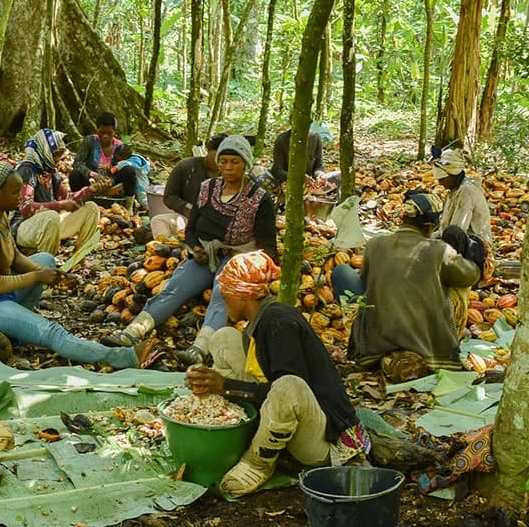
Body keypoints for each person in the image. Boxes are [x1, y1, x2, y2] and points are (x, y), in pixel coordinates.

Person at [185, 250, 369, 496]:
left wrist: (226, 386)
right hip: (286, 409)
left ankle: (258, 463)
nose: (223, 298)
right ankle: (238, 425)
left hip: (322, 437)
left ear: (242, 294)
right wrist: (208, 381)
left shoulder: (278, 322)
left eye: (226, 292)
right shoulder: (261, 319)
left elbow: (289, 392)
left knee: (288, 386)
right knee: (223, 338)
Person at [0, 161, 158, 369]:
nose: (20, 197)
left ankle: (16, 327)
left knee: (46, 259)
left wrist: (51, 274)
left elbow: (15, 257)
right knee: (51, 331)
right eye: (14, 192)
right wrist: (37, 277)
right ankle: (124, 357)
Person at [103, 135, 278, 367]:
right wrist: (195, 248)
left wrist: (245, 263)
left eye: (235, 162)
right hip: (205, 253)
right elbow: (192, 228)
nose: (227, 167)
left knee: (221, 294)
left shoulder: (259, 198)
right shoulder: (208, 188)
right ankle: (133, 331)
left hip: (238, 257)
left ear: (246, 164)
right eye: (223, 161)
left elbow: (268, 246)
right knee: (175, 287)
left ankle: (200, 348)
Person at [332, 191, 481, 380]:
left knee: (342, 271)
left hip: (375, 344)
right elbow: (470, 277)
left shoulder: (374, 245)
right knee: (456, 280)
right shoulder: (440, 250)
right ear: (429, 226)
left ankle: (366, 347)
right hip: (426, 345)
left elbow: (367, 282)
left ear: (402, 218)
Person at [12, 128, 110, 256]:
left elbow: (67, 198)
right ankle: (45, 262)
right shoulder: (27, 170)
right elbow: (25, 208)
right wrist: (59, 205)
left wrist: (90, 190)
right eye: (56, 154)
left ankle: (79, 256)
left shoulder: (51, 172)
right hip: (24, 228)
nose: (59, 158)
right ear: (44, 150)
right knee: (51, 216)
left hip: (48, 224)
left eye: (61, 153)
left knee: (91, 208)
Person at [150, 133, 226, 238]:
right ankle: (168, 246)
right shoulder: (186, 167)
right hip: (187, 219)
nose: (221, 162)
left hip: (218, 224)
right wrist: (189, 208)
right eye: (218, 156)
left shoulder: (232, 174)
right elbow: (169, 197)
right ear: (208, 150)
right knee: (158, 221)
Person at [69, 112, 136, 210]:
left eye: (109, 133)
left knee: (129, 170)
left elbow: (120, 167)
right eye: (102, 132)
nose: (105, 136)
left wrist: (110, 181)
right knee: (74, 174)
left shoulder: (120, 147)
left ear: (114, 132)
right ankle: (79, 202)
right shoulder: (90, 141)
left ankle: (128, 206)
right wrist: (92, 175)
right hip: (91, 181)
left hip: (111, 183)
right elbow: (77, 163)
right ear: (97, 130)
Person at [431, 149, 492, 245]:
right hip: (457, 240)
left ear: (452, 175)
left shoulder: (466, 191)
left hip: (474, 243)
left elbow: (458, 229)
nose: (440, 183)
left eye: (442, 179)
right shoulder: (452, 192)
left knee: (452, 233)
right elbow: (444, 227)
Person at [113, 143, 151, 211]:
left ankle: (145, 208)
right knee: (144, 196)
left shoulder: (125, 162)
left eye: (115, 155)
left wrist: (107, 168)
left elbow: (113, 170)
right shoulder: (137, 159)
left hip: (138, 183)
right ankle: (144, 206)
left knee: (142, 197)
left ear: (123, 157)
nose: (114, 157)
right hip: (144, 180)